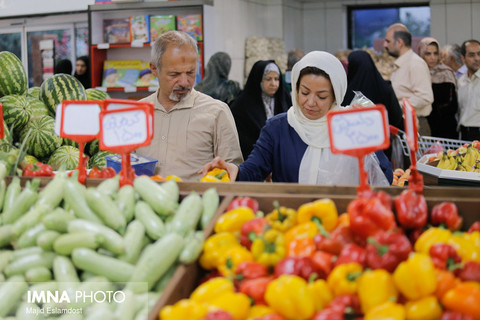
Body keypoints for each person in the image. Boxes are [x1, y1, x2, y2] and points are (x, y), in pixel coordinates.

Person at [201, 51, 392, 185]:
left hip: (342, 223)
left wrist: (368, 145)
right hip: (292, 223)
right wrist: (234, 170)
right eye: (304, 92)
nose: (310, 102)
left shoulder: (348, 126)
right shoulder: (278, 128)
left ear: (336, 95)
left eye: (322, 96)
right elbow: (254, 170)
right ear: (295, 88)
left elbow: (385, 177)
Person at [135, 30, 243, 180]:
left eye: (191, 73)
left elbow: (233, 169)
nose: (185, 82)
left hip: (197, 201)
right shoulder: (136, 113)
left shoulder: (217, 112)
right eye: (174, 74)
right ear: (154, 69)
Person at [230, 60, 291, 159]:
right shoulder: (243, 105)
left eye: (276, 79)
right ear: (259, 80)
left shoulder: (284, 100)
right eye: (268, 79)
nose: (273, 83)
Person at [384, 23, 434, 136]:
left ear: (399, 42)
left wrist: (396, 105)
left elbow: (425, 97)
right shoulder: (400, 63)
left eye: (388, 41)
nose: (385, 45)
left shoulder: (415, 64)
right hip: (404, 123)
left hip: (416, 125)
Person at [342, 50, 404, 131]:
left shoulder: (345, 92)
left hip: (353, 138)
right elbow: (396, 119)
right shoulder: (385, 89)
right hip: (383, 139)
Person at [418, 37, 459, 139]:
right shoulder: (416, 73)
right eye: (428, 54)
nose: (432, 57)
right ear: (421, 54)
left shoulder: (446, 73)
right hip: (422, 128)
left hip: (446, 129)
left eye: (435, 53)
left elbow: (452, 105)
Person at [457, 39, 480, 141]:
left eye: (479, 54)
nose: (477, 58)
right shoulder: (461, 81)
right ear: (463, 59)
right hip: (464, 132)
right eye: (471, 55)